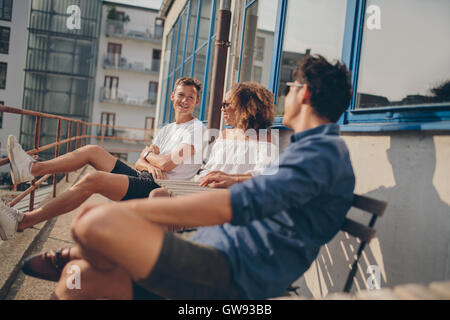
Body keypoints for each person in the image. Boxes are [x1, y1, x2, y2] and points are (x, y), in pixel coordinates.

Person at [43, 54, 356, 300]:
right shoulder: (312, 150)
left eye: (289, 88)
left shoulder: (321, 155)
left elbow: (239, 202)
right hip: (215, 254)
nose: (283, 95)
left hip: (232, 274)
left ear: (304, 95)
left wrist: (123, 212)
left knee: (95, 225)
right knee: (77, 278)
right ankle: (84, 254)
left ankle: (89, 250)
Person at [0, 77, 206, 241]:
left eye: (190, 97)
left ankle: (23, 221)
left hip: (160, 189)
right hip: (145, 178)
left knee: (93, 180)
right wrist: (147, 158)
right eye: (181, 95)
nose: (184, 101)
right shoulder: (168, 129)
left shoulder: (197, 129)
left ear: (197, 101)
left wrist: (148, 155)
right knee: (92, 150)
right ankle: (31, 169)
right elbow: (140, 162)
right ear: (172, 96)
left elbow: (167, 163)